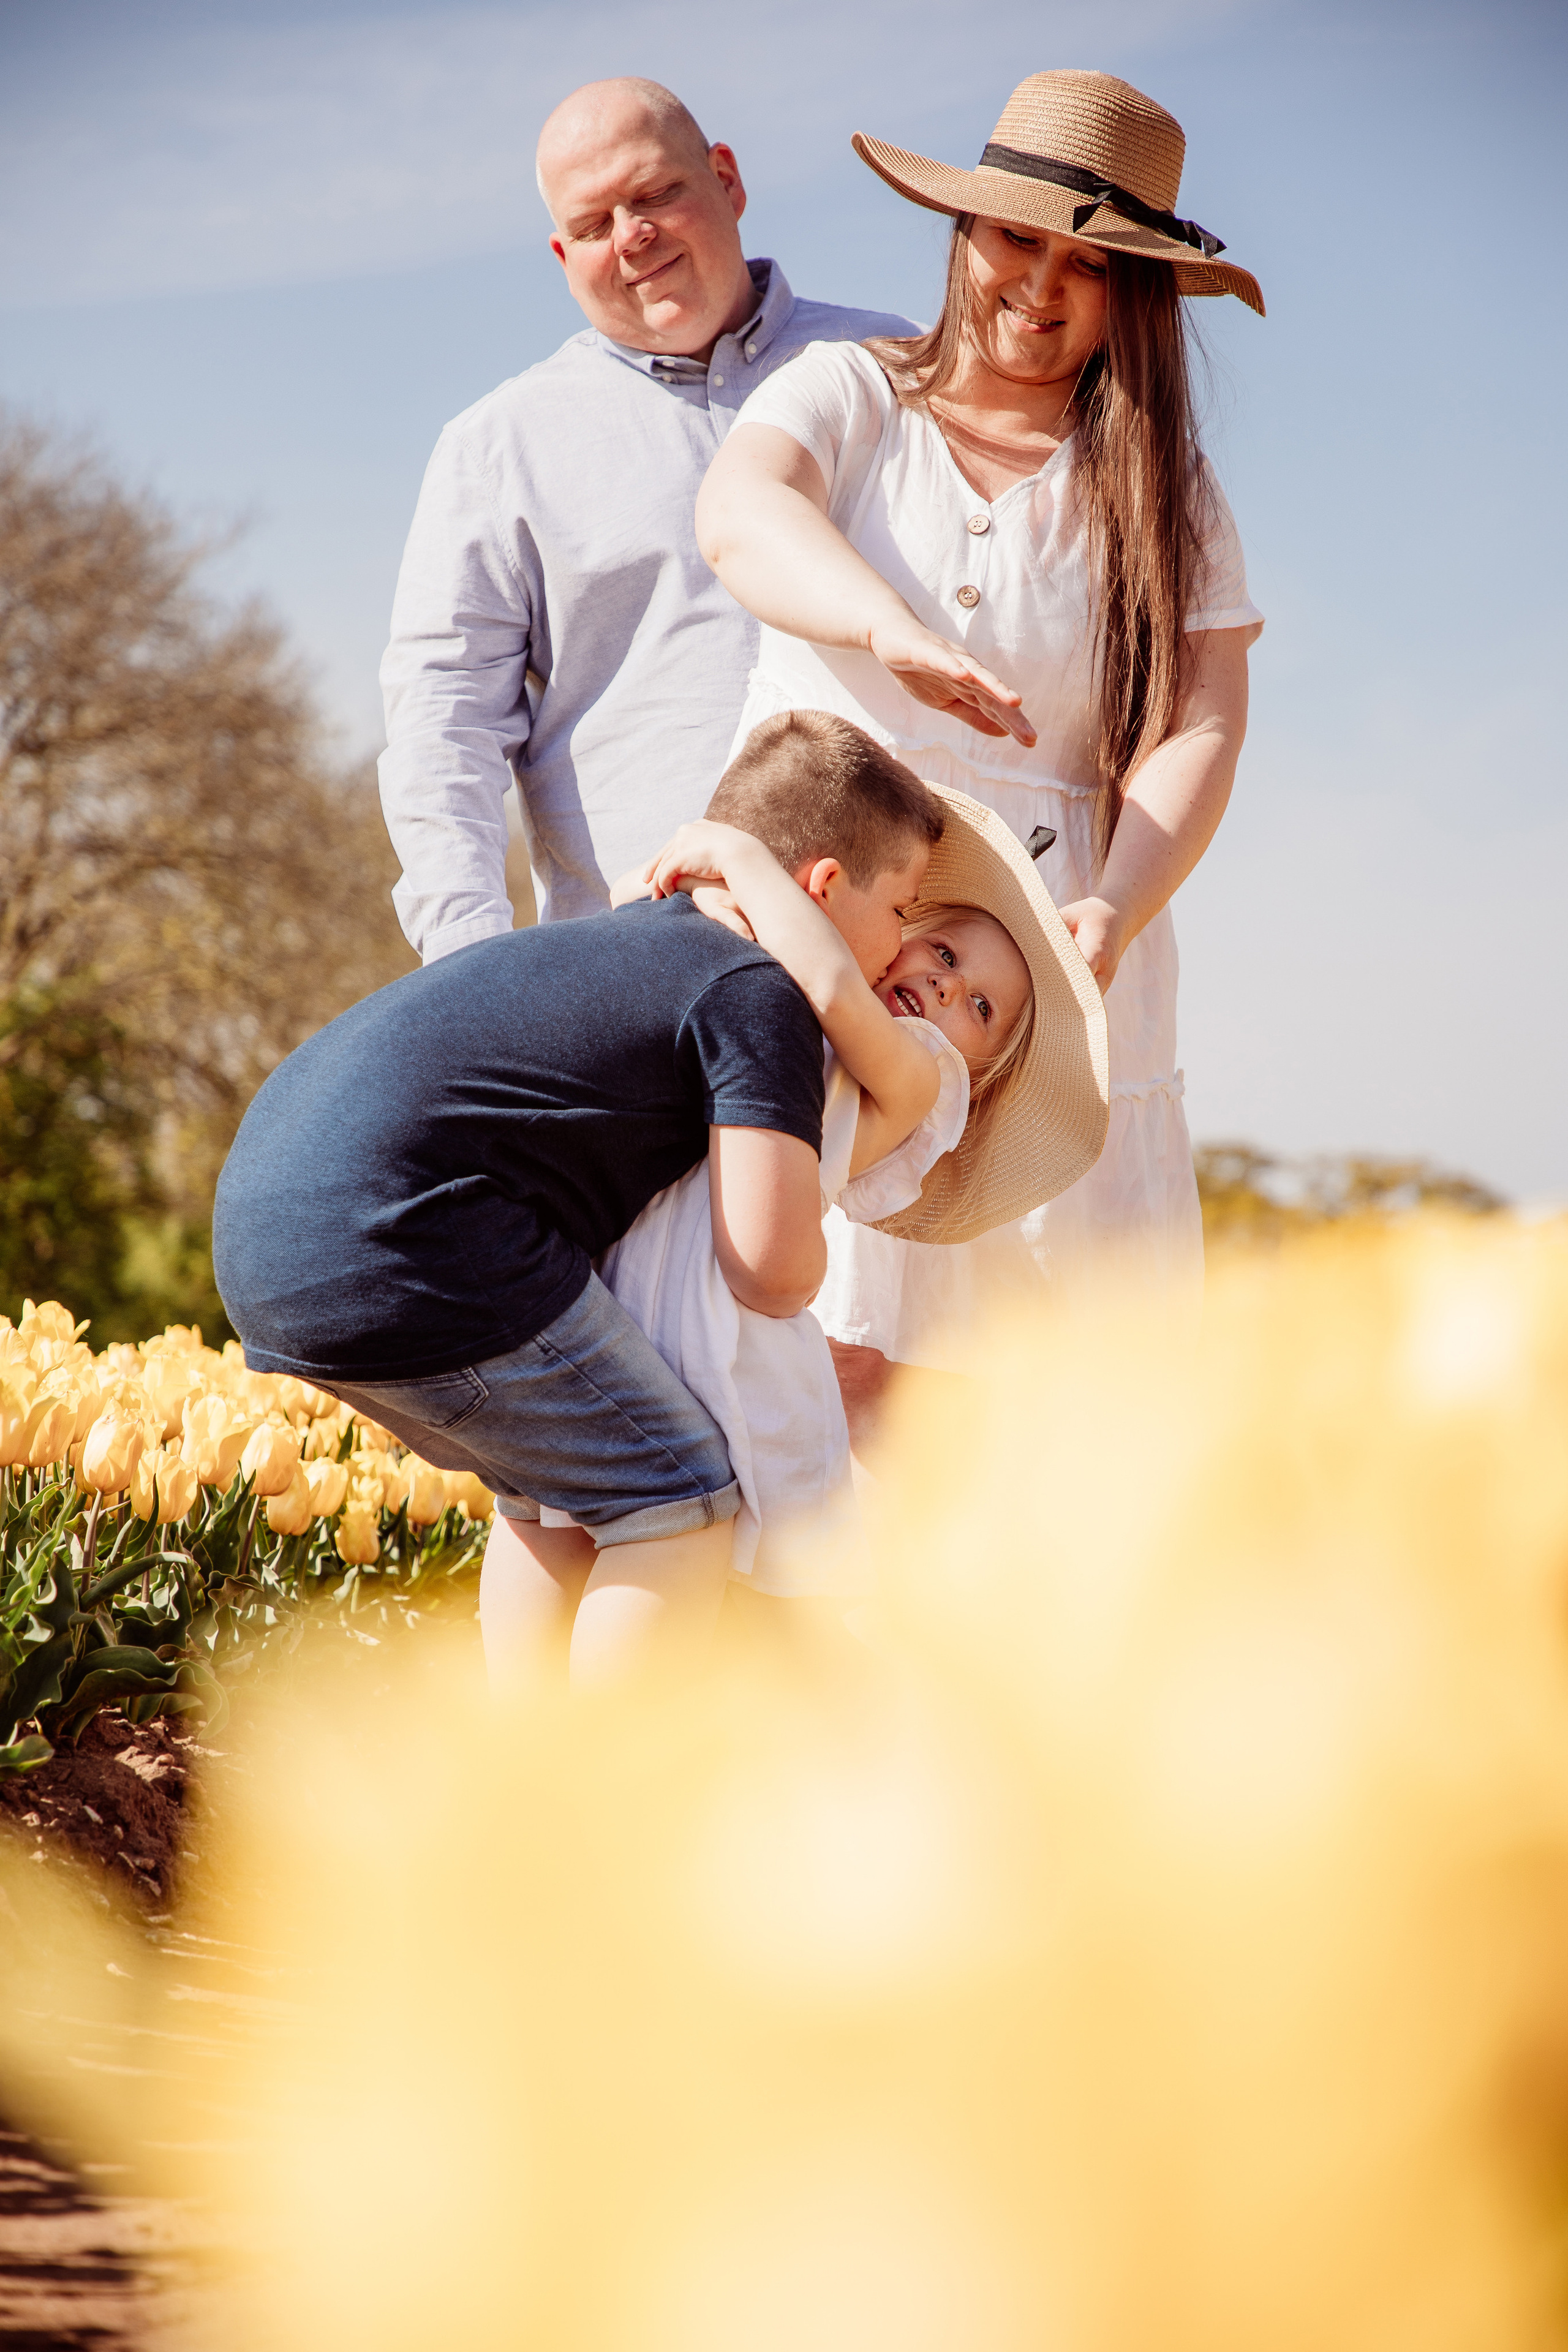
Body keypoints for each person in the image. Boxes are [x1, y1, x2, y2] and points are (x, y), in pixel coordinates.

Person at [695, 68, 1266, 1403]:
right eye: (1019, 238)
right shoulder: (847, 392)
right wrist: (880, 628)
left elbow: (1199, 723)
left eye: (1089, 263)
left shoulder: (1163, 485)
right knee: (805, 1359)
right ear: (963, 233)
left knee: (1034, 1390)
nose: (1042, 285)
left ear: (1133, 293)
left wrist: (1112, 912)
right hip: (825, 928)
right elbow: (741, 515)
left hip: (1046, 959)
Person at [213, 722, 943, 1691]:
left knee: (548, 1493)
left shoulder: (611, 943)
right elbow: (769, 1269)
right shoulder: (757, 990)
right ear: (819, 889)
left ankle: (521, 1762)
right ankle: (596, 1801)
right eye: (900, 908)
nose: (899, 948)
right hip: (408, 1235)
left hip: (267, 1229)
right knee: (674, 1496)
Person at [480, 722, 1107, 1688]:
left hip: (725, 1318)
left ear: (980, 1070)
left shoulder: (918, 1076)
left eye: (979, 1006)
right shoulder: (792, 996)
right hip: (635, 1271)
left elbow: (827, 979)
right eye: (938, 947)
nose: (945, 985)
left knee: (680, 1535)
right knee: (545, 1510)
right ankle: (512, 1724)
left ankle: (611, 1749)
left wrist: (735, 853)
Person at [377, 75, 916, 959]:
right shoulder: (497, 450)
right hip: (639, 982)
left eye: (657, 193)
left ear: (728, 180)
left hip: (905, 966)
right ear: (563, 255)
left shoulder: (900, 370)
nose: (633, 238)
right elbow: (444, 730)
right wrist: (474, 972)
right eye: (594, 225)